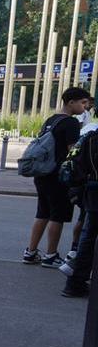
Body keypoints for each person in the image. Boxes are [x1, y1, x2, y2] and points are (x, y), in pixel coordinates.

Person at [23, 86, 87, 266]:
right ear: (71, 102)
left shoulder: (51, 120)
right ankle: (50, 255)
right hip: (59, 175)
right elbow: (73, 151)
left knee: (42, 212)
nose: (85, 107)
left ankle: (30, 252)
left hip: (42, 173)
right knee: (57, 216)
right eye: (82, 103)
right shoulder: (71, 123)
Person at [62, 123, 98, 297]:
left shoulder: (91, 137)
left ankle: (75, 281)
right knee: (89, 237)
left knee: (88, 236)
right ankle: (76, 280)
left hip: (91, 191)